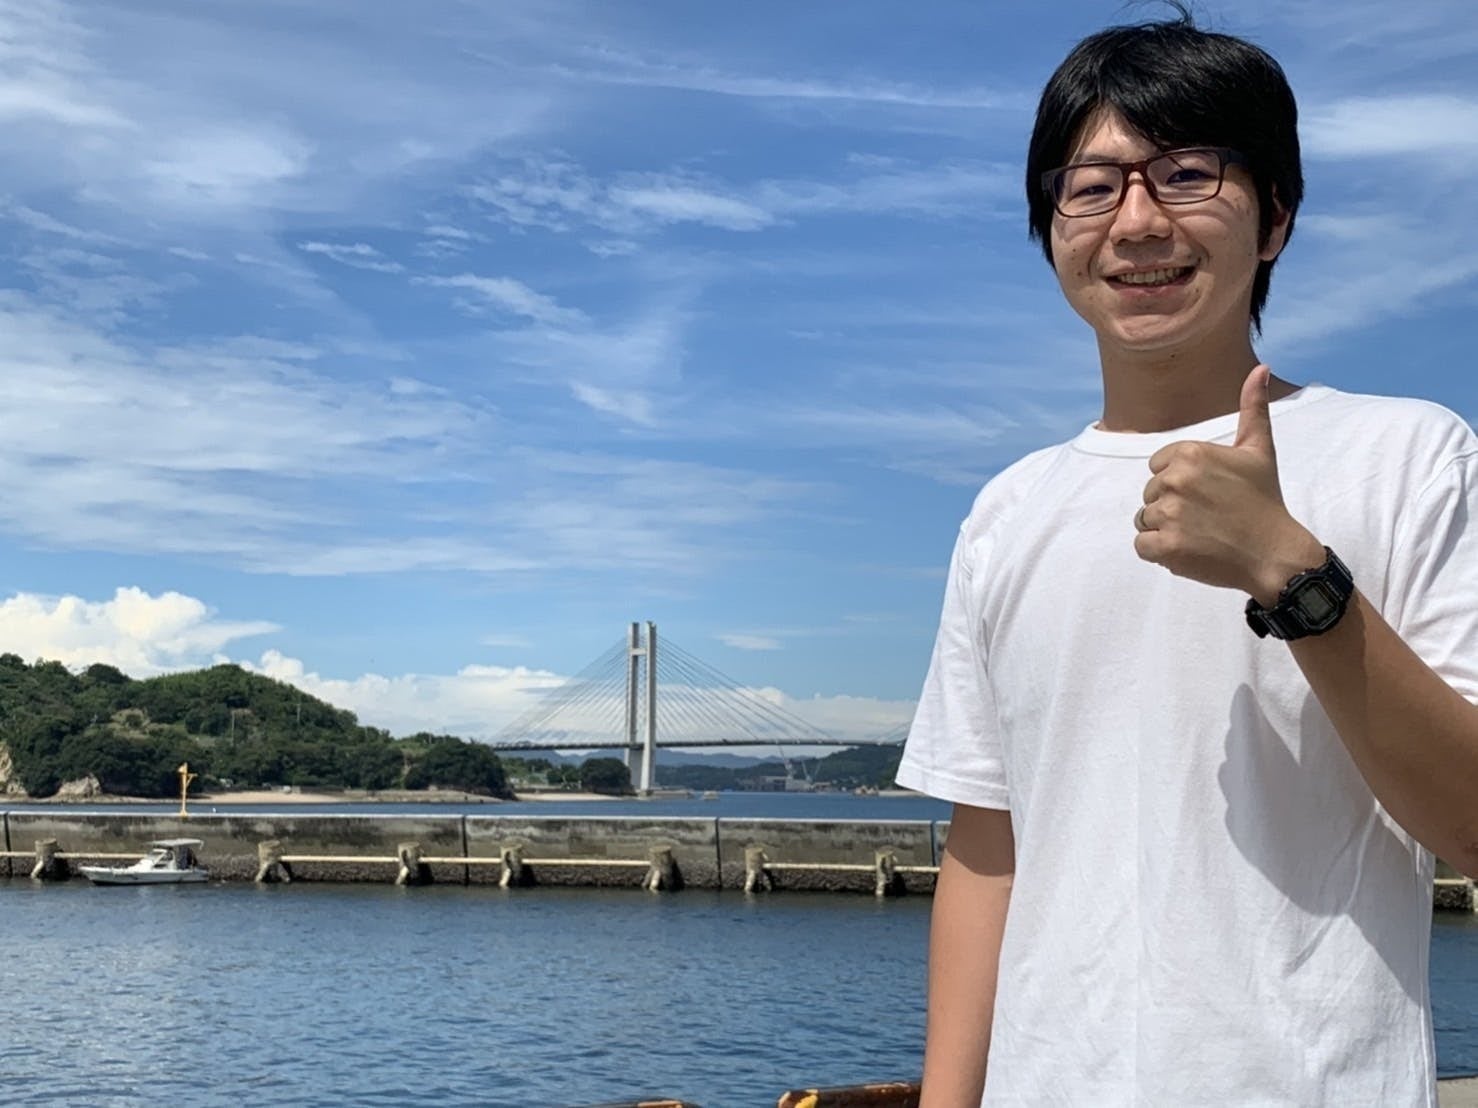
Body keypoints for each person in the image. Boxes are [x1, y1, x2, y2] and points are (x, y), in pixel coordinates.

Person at [895, 11, 1478, 1106]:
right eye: (1091, 186)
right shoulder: (1007, 510)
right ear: (1049, 228)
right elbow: (987, 851)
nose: (1135, 222)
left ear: (1275, 217)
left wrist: (1293, 576)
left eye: (1186, 174)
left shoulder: (1409, 454)